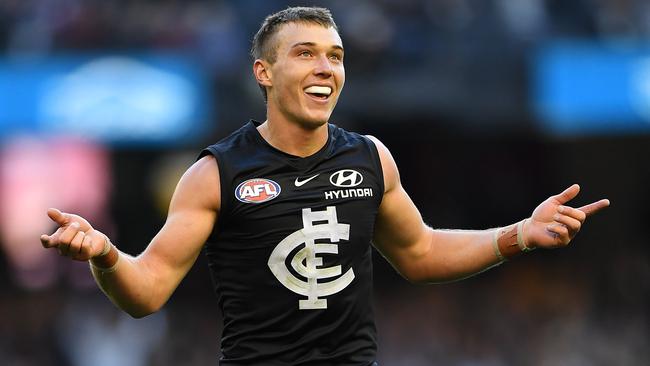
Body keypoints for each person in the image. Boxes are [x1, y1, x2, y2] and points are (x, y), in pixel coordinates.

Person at [40, 6, 610, 365]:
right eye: (305, 54)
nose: (326, 68)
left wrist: (518, 235)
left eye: (335, 56)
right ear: (264, 72)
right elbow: (148, 293)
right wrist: (107, 256)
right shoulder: (216, 175)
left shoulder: (370, 159)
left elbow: (420, 252)